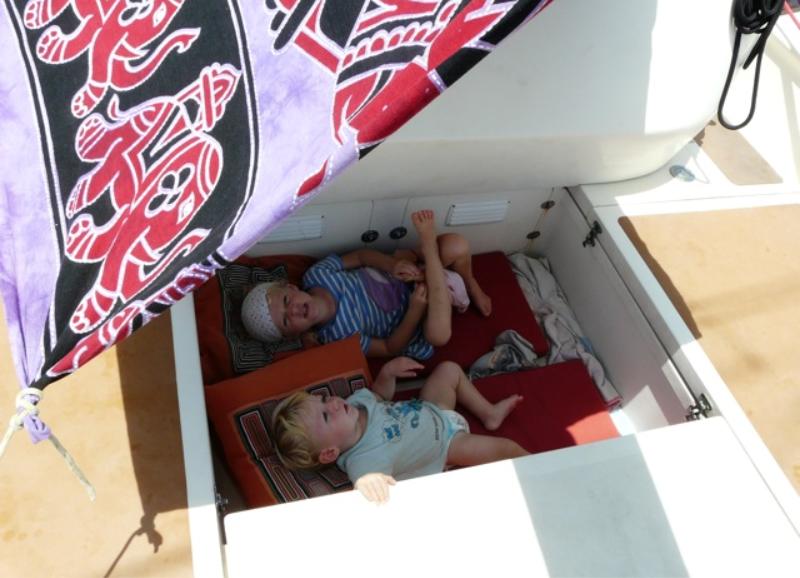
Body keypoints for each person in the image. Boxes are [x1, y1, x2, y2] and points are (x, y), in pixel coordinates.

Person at [271, 357, 528, 503]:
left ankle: (489, 414)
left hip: (432, 407)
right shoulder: (362, 461)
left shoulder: (355, 402)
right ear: (329, 452)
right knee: (507, 448)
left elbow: (379, 396)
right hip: (447, 446)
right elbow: (365, 484)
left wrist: (388, 373)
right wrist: (366, 483)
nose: (334, 403)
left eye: (324, 400)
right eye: (327, 416)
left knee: (449, 369)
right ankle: (548, 467)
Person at [241, 210, 492, 359]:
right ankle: (429, 246)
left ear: (291, 288)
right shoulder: (336, 338)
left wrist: (392, 265)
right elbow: (389, 347)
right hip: (421, 311)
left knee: (457, 244)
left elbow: (361, 257)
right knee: (438, 335)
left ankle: (470, 284)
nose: (294, 310)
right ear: (292, 334)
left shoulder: (316, 275)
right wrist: (415, 311)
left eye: (286, 301)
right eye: (286, 320)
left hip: (409, 273)